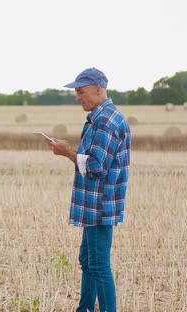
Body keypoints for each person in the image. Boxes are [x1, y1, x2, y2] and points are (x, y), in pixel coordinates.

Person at [46, 67, 131, 312]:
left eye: (80, 91)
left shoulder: (105, 120)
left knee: (99, 265)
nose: (77, 96)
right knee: (88, 261)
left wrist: (66, 153)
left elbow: (96, 166)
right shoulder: (100, 116)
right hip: (95, 202)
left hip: (100, 203)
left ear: (98, 88)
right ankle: (83, 309)